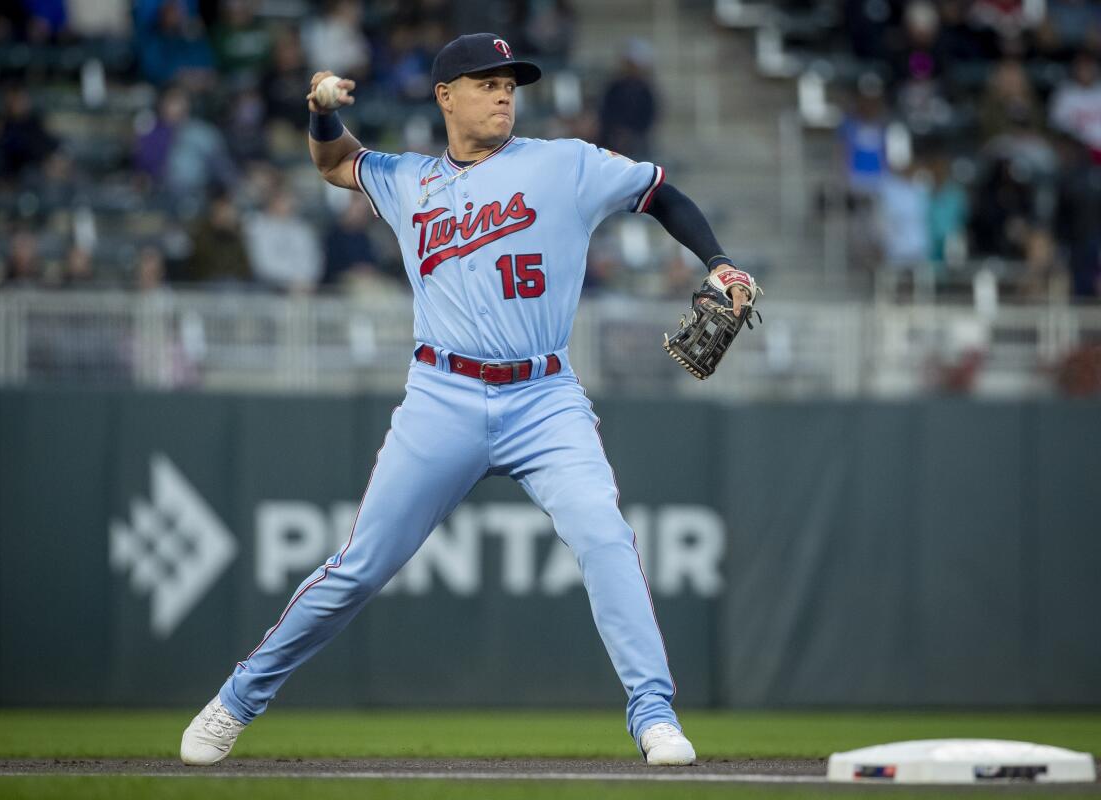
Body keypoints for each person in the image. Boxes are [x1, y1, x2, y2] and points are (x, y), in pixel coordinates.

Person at [180, 32, 757, 769]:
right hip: (441, 396)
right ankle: (235, 702)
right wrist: (323, 111)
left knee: (605, 535)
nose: (504, 92)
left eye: (511, 82)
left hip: (545, 396)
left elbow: (660, 192)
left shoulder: (564, 163)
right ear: (445, 95)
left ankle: (653, 714)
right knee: (360, 564)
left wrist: (719, 260)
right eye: (487, 81)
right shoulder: (408, 179)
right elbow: (333, 163)